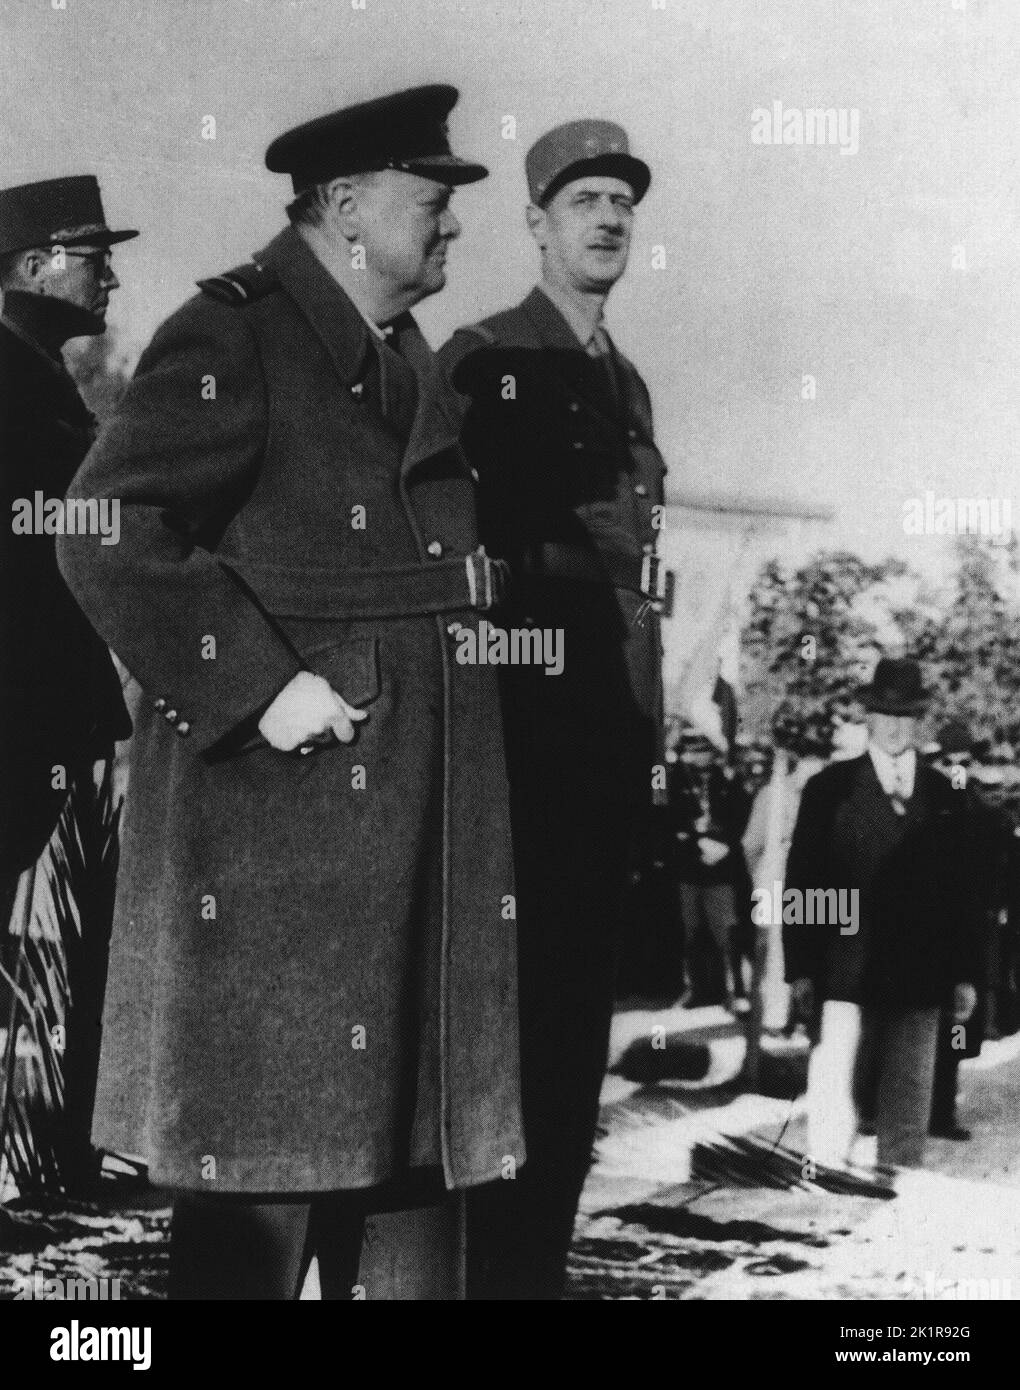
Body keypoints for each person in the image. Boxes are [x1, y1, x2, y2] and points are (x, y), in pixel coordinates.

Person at [57, 85, 523, 1300]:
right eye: (435, 202)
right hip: (277, 869)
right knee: (261, 1193)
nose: (453, 229)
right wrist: (262, 688)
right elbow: (105, 527)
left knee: (412, 1176)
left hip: (411, 857)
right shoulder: (237, 336)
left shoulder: (400, 359)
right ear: (351, 209)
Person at [438, 119, 667, 1299]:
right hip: (525, 749)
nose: (609, 217)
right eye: (583, 198)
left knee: (575, 1035)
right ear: (535, 222)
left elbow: (635, 580)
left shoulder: (624, 378)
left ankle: (534, 1272)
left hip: (605, 756)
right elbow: (460, 561)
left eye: (622, 200)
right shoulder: (488, 354)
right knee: (511, 1035)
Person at [0, 176, 136, 1181]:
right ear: (38, 264)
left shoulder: (35, 376)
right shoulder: (13, 377)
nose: (110, 276)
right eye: (95, 257)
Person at [784, 658, 981, 1171]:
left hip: (920, 972)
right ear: (867, 717)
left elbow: (963, 893)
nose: (895, 727)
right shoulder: (831, 788)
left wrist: (964, 972)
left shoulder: (945, 796)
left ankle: (898, 1187)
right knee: (835, 1080)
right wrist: (803, 966)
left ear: (921, 722)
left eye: (907, 716)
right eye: (884, 713)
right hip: (845, 968)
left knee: (910, 1089)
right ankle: (826, 1176)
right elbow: (805, 882)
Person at [669, 728, 752, 1011]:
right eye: (692, 750)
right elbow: (668, 818)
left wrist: (723, 844)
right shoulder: (674, 778)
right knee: (691, 932)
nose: (698, 756)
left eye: (704, 750)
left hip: (721, 869)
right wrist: (694, 841)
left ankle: (737, 990)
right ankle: (699, 989)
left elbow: (741, 818)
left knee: (726, 932)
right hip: (689, 868)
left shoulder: (728, 779)